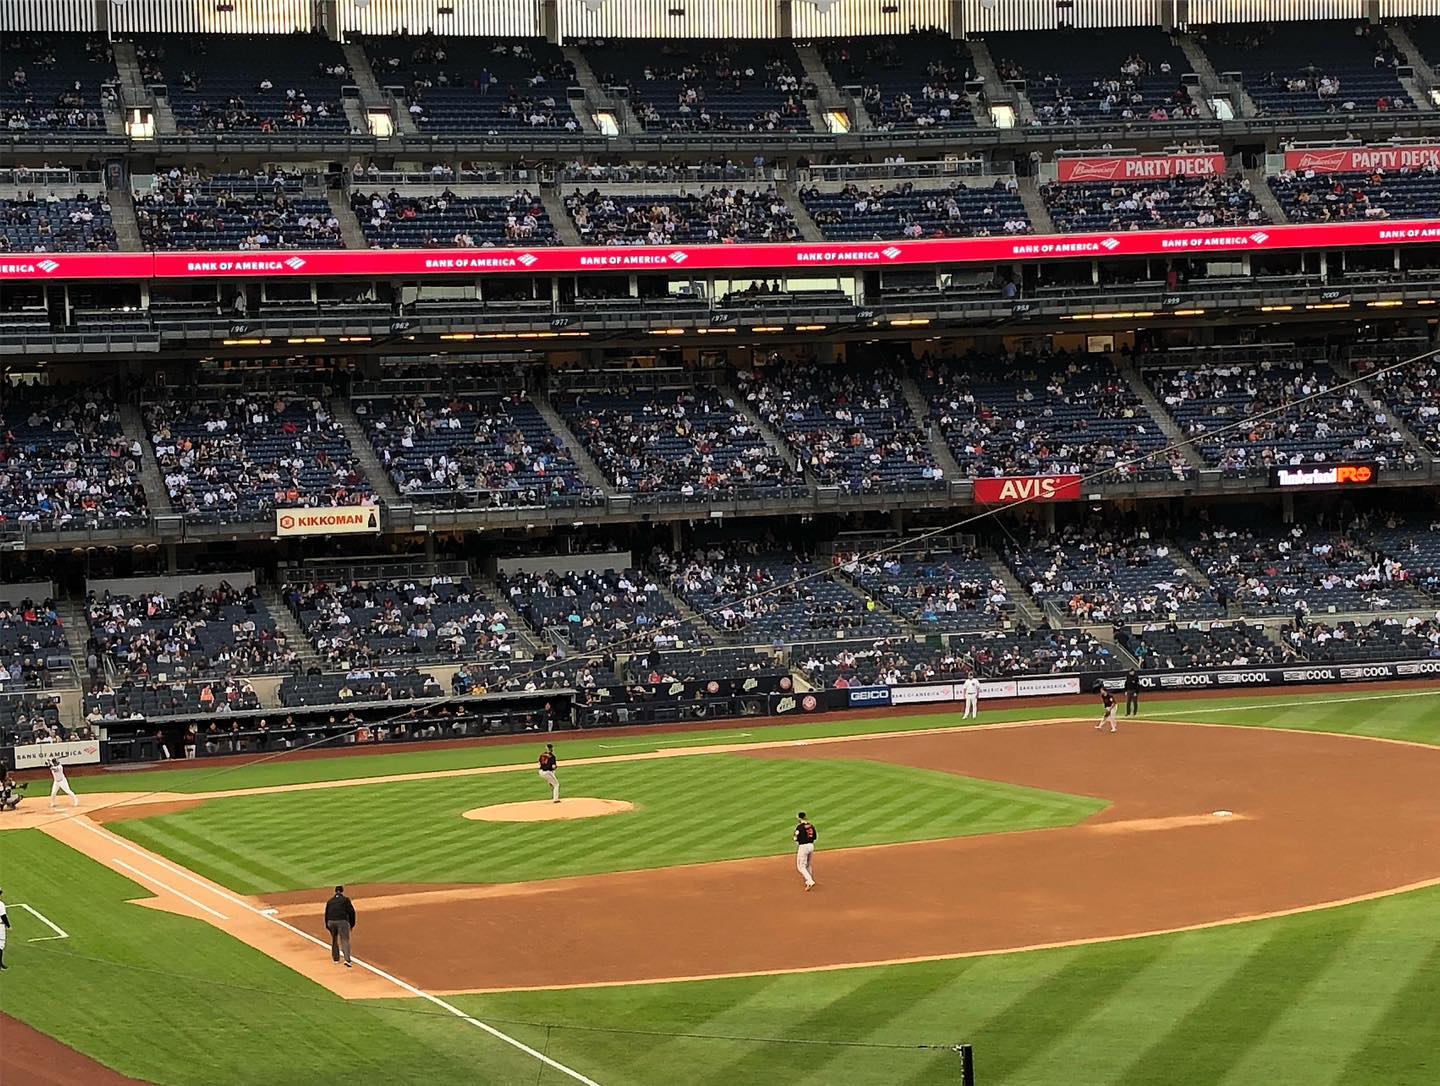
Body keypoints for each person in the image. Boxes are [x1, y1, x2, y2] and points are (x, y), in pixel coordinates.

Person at [324, 885, 356, 967]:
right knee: (344, 939)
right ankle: (347, 960)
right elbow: (351, 912)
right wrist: (352, 924)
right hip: (342, 921)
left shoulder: (330, 901)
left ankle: (336, 959)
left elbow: (326, 914)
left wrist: (327, 925)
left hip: (331, 922)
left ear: (335, 892)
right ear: (342, 891)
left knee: (334, 939)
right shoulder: (345, 900)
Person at [794, 811, 817, 891]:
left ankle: (810, 881)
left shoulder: (799, 827)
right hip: (811, 845)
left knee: (801, 866)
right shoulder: (811, 826)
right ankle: (809, 878)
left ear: (799, 818)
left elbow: (796, 838)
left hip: (803, 847)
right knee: (808, 864)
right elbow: (815, 837)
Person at [0, 885, 8, 969]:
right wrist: (8, 926)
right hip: (0, 926)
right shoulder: (1, 904)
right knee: (1, 944)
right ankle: (0, 964)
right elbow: (3, 916)